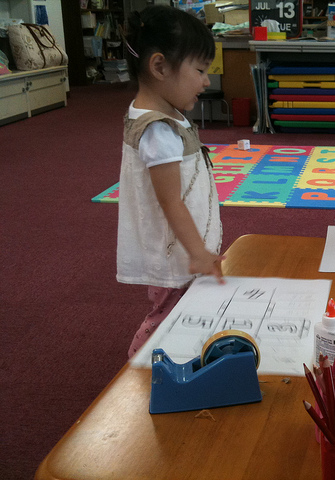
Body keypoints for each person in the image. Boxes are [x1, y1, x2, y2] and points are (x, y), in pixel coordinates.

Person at [117, 5, 224, 358]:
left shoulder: (164, 113)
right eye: (200, 70)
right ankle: (137, 367)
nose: (206, 81)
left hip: (180, 250)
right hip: (176, 255)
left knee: (181, 312)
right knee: (166, 316)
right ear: (160, 66)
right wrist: (198, 253)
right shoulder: (158, 131)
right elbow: (170, 200)